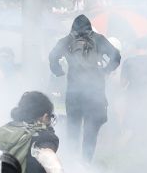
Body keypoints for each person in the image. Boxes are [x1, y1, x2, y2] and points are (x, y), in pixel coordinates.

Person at [48, 15, 120, 163]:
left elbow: (53, 55)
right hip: (95, 91)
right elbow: (116, 56)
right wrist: (105, 70)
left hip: (74, 92)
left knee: (73, 127)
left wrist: (58, 71)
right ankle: (86, 162)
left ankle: (73, 163)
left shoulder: (67, 40)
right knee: (91, 130)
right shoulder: (98, 39)